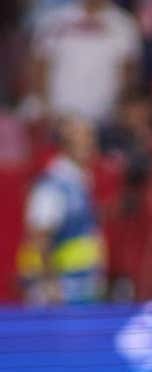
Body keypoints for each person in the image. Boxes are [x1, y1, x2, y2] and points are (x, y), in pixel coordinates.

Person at [19, 115, 106, 304]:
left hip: (80, 287)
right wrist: (51, 285)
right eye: (82, 138)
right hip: (61, 292)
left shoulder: (81, 181)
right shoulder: (53, 184)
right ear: (65, 144)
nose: (89, 143)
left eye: (90, 137)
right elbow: (41, 236)